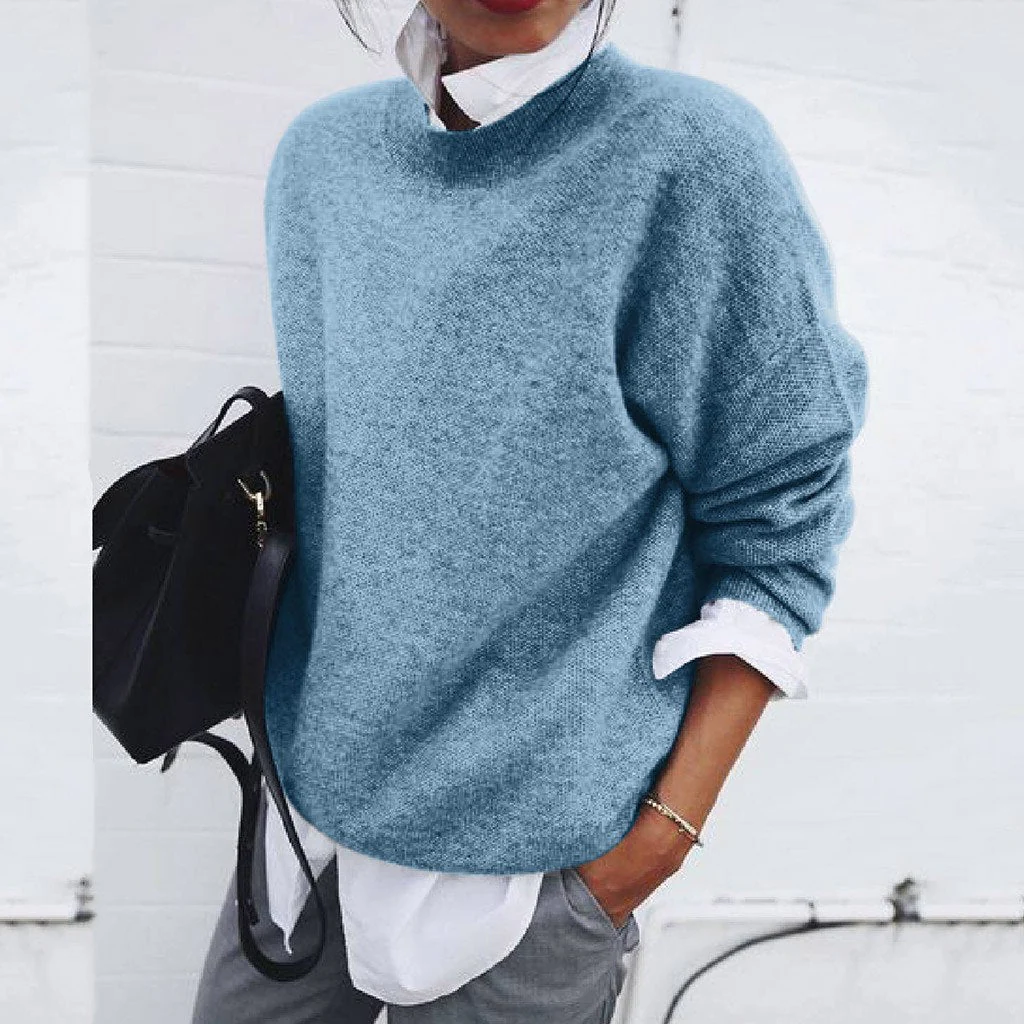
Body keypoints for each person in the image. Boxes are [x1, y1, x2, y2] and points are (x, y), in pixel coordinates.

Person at [191, 1, 870, 1022]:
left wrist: (655, 844)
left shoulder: (692, 157)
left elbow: (783, 526)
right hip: (306, 822)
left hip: (541, 872)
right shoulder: (322, 160)